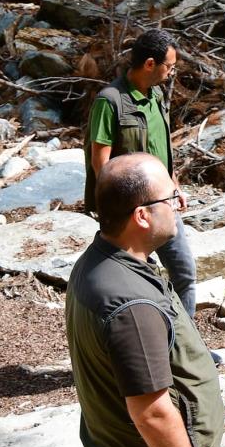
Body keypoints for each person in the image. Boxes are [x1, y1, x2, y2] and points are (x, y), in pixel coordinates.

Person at [66, 153, 223, 447]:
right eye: (172, 198)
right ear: (141, 216)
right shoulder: (129, 302)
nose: (181, 204)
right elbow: (152, 411)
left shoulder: (101, 263)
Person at [84, 28, 198, 322]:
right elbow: (101, 164)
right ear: (150, 64)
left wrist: (174, 185)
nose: (172, 72)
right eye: (169, 66)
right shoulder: (109, 102)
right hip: (132, 214)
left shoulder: (157, 95)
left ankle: (187, 348)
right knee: (134, 280)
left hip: (164, 203)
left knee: (184, 272)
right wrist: (117, 211)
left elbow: (161, 145)